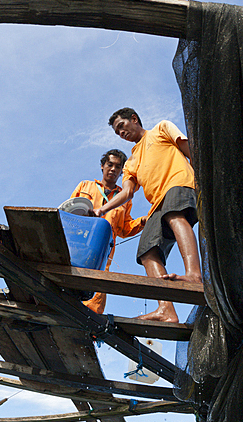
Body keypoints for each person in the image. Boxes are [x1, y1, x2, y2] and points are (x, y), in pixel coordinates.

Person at [93, 108, 202, 323]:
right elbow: (126, 192)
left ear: (134, 119)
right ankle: (166, 310)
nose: (121, 133)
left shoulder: (161, 129)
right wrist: (102, 209)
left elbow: (188, 148)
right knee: (147, 252)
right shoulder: (131, 163)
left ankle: (194, 275)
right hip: (157, 204)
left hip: (179, 183)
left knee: (174, 216)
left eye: (122, 126)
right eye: (117, 132)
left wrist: (204, 176)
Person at [70, 149, 146, 314]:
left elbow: (124, 228)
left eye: (117, 167)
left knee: (95, 296)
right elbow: (68, 213)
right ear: (102, 166)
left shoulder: (124, 197)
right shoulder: (85, 185)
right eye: (109, 164)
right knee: (68, 284)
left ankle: (90, 329)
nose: (113, 169)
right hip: (76, 247)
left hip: (102, 253)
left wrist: (143, 221)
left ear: (121, 172)